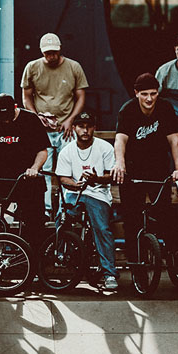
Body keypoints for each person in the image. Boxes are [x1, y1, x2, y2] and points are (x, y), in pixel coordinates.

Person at [112, 73, 178, 281]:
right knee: (132, 220)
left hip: (158, 171)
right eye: (144, 94)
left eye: (153, 94)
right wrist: (120, 163)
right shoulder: (127, 110)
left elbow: (175, 141)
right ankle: (137, 268)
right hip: (133, 173)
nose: (149, 99)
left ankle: (177, 257)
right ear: (136, 93)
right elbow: (120, 140)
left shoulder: (165, 108)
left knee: (166, 216)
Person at [0, 93, 49, 254]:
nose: (5, 121)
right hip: (3, 180)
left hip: (28, 179)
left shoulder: (30, 120)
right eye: (1, 117)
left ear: (15, 107)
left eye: (8, 117)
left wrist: (34, 168)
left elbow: (42, 150)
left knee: (34, 223)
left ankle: (34, 261)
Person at [20, 33, 88, 210]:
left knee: (70, 167)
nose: (51, 56)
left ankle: (69, 207)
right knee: (44, 169)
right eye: (47, 53)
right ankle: (46, 208)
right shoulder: (32, 67)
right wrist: (36, 117)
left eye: (54, 52)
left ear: (60, 50)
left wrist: (71, 120)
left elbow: (81, 97)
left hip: (65, 127)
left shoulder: (73, 67)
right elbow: (26, 97)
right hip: (42, 127)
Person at [57, 109, 118, 293]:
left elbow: (111, 176)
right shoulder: (67, 150)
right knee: (62, 219)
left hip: (98, 194)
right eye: (81, 127)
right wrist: (76, 185)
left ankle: (110, 274)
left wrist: (95, 179)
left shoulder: (104, 147)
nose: (85, 131)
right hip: (76, 193)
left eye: (89, 127)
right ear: (74, 128)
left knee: (102, 228)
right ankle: (61, 256)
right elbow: (63, 177)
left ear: (94, 128)